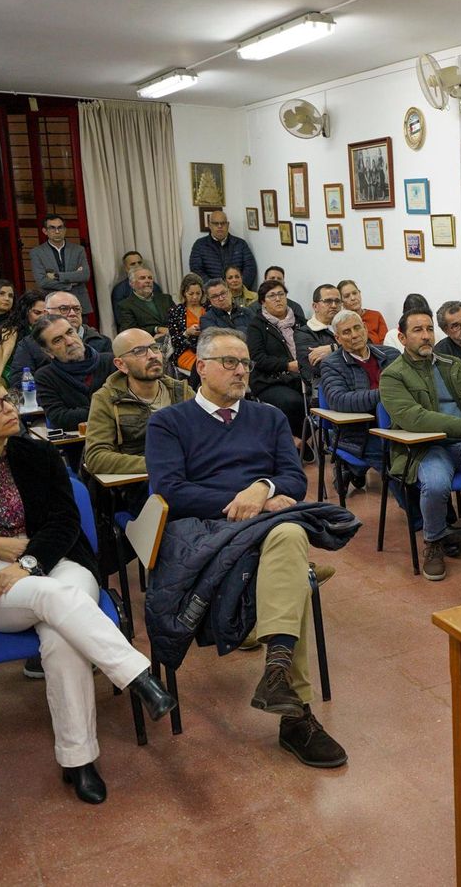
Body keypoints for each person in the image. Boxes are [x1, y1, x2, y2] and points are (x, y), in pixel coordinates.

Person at [0, 373, 176, 804]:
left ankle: (79, 759)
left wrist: (30, 564)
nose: (10, 407)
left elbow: (65, 523)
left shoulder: (39, 454)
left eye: (8, 398)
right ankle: (136, 675)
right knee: (57, 603)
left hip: (55, 560)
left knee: (60, 635)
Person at [144, 328, 346, 768]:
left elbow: (293, 480)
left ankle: (278, 675)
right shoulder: (169, 422)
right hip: (202, 530)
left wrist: (263, 487)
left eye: (245, 363)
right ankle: (295, 715)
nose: (241, 371)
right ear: (201, 367)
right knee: (292, 559)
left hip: (268, 524)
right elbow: (170, 491)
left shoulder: (268, 417)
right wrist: (243, 503)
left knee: (289, 535)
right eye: (229, 362)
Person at [380, 307, 461, 580]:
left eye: (429, 329)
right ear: (402, 338)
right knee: (436, 485)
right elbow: (414, 418)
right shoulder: (393, 376)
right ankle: (434, 542)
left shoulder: (452, 365)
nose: (426, 336)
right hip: (428, 448)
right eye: (418, 330)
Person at [83, 329, 191, 477]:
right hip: (140, 482)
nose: (153, 356)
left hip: (189, 473)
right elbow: (96, 457)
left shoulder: (181, 390)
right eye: (139, 351)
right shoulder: (107, 398)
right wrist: (159, 464)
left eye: (155, 347)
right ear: (121, 364)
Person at [318, 309, 397, 495]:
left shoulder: (391, 355)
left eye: (357, 328)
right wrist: (385, 394)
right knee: (396, 462)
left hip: (398, 425)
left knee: (424, 453)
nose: (354, 335)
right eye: (346, 332)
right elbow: (339, 401)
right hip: (359, 432)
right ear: (337, 338)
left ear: (365, 328)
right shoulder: (331, 364)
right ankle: (421, 521)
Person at [246, 279, 310, 440]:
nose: (277, 299)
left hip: (301, 378)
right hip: (270, 380)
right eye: (271, 296)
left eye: (281, 294)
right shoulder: (256, 326)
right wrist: (288, 366)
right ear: (263, 302)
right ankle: (294, 442)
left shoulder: (300, 322)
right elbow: (258, 358)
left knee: (319, 399)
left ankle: (305, 440)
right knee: (293, 402)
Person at [32, 314, 114, 432]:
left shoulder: (111, 361)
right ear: (48, 351)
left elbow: (127, 405)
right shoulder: (45, 377)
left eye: (70, 332)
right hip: (77, 445)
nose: (69, 341)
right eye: (58, 340)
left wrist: (82, 412)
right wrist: (107, 407)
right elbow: (60, 419)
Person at [28, 215, 93, 316]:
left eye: (60, 227)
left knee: (81, 331)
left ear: (65, 229)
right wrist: (70, 283)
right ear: (45, 231)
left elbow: (85, 275)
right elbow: (42, 281)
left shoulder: (78, 250)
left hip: (78, 302)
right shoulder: (37, 252)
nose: (57, 231)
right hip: (53, 305)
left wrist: (57, 276)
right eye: (52, 228)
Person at [0, 290, 46, 382]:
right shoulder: (5, 335)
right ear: (25, 311)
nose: (43, 317)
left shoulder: (54, 333)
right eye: (37, 313)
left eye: (46, 313)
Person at [187, 210, 257, 289]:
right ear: (210, 225)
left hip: (239, 293)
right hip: (211, 294)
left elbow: (250, 268)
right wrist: (216, 289)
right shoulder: (200, 245)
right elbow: (196, 270)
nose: (220, 226)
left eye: (223, 223)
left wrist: (238, 287)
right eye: (216, 223)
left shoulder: (240, 244)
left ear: (228, 225)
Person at [42, 289, 111, 357]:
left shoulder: (102, 342)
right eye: (64, 309)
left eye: (76, 309)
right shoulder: (35, 344)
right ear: (47, 314)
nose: (73, 313)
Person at [115, 265, 172, 338]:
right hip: (146, 343)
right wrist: (156, 329)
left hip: (172, 339)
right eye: (142, 278)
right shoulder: (125, 305)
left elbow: (177, 320)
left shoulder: (166, 299)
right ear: (132, 283)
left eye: (150, 278)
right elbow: (130, 331)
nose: (148, 281)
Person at [167, 273, 205, 372]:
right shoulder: (176, 311)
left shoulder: (209, 308)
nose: (195, 297)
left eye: (198, 293)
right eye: (191, 294)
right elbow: (174, 341)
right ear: (184, 293)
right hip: (186, 351)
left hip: (209, 350)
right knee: (203, 368)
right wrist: (186, 333)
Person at [338, 280, 387, 345]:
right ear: (341, 302)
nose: (353, 298)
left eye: (355, 293)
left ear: (359, 293)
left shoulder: (375, 315)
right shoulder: (340, 322)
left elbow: (385, 343)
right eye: (347, 296)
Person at [303, 283, 342, 364]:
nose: (334, 305)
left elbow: (367, 345)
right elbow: (316, 364)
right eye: (328, 301)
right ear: (315, 306)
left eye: (337, 301)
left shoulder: (349, 324)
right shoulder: (304, 333)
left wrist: (333, 348)